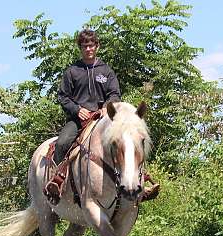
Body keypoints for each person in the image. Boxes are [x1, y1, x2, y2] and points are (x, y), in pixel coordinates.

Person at [44, 29, 159, 204]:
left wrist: (107, 107)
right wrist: (77, 110)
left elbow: (114, 93)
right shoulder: (72, 71)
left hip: (102, 118)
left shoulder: (106, 71)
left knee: (129, 141)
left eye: (91, 45)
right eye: (84, 46)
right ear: (80, 48)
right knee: (62, 142)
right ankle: (57, 181)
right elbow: (63, 96)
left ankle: (138, 182)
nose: (88, 49)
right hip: (79, 120)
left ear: (97, 46)